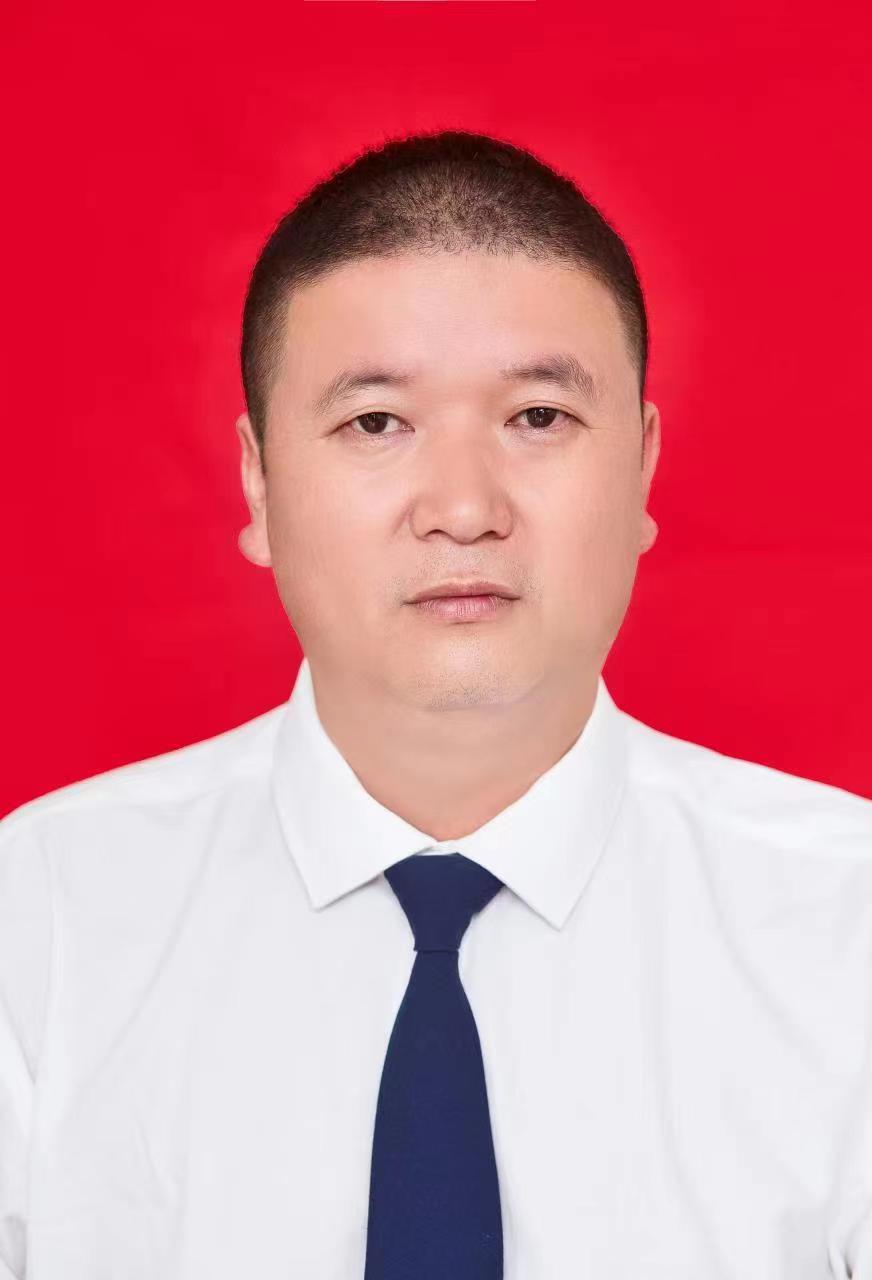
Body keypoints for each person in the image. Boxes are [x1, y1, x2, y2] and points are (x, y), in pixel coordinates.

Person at [1, 128, 870, 1280]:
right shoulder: (42, 921)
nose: (463, 508)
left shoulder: (844, 925)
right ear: (258, 478)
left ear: (641, 468)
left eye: (537, 417)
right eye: (376, 423)